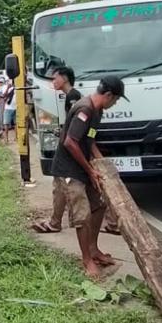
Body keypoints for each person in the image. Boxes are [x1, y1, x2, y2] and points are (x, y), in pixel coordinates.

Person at [48, 75, 126, 278]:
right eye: (116, 99)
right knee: (82, 214)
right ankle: (87, 260)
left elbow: (89, 141)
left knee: (99, 204)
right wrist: (90, 171)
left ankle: (93, 249)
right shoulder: (85, 109)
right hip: (68, 169)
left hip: (83, 165)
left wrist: (103, 167)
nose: (115, 103)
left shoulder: (97, 111)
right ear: (108, 95)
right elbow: (70, 142)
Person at [33, 66, 82, 234]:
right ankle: (56, 221)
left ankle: (57, 222)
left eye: (55, 78)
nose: (53, 82)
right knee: (62, 184)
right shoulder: (70, 96)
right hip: (68, 145)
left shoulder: (73, 96)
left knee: (63, 184)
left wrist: (65, 136)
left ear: (65, 78)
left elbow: (75, 123)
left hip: (68, 148)